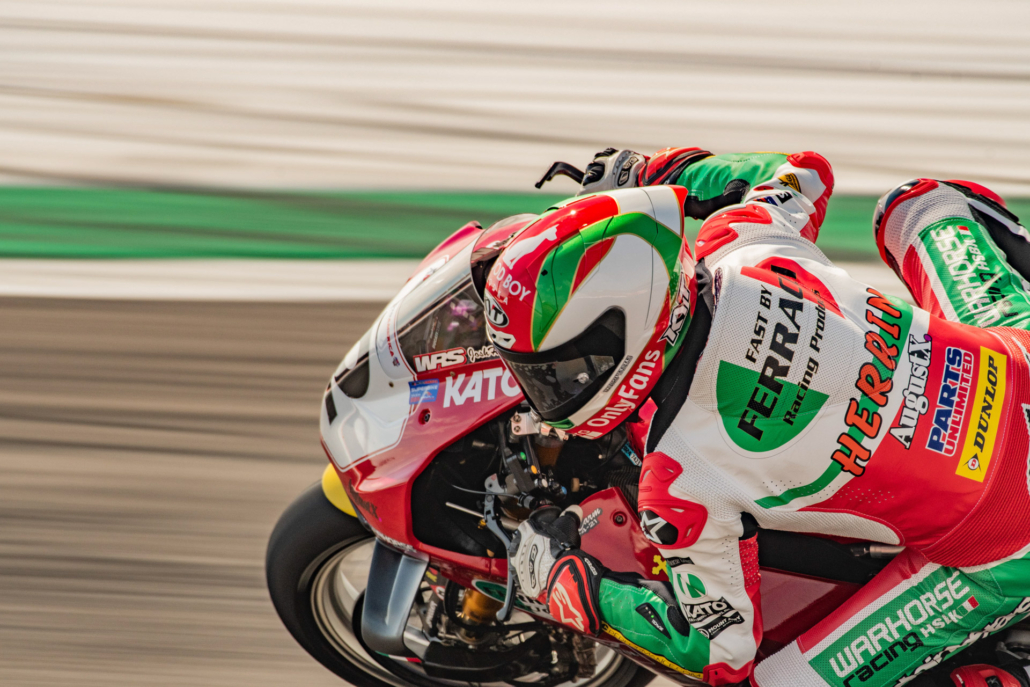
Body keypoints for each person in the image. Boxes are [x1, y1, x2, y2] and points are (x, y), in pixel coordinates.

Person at [484, 147, 1030, 687]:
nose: (543, 392)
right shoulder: (743, 238)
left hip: (1009, 549)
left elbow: (720, 656)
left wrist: (568, 585)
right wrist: (657, 171)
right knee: (917, 205)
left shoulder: (682, 477)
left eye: (558, 371)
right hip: (1018, 358)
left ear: (625, 334)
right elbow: (804, 172)